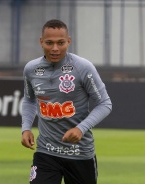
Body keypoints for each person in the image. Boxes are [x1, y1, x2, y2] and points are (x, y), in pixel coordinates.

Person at [21, 19, 112, 184]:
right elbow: (29, 99)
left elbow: (105, 103)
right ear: (41, 42)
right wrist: (26, 127)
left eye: (60, 43)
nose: (55, 48)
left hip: (80, 153)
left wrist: (81, 128)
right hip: (46, 152)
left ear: (69, 41)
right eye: (49, 43)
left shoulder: (83, 67)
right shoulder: (31, 69)